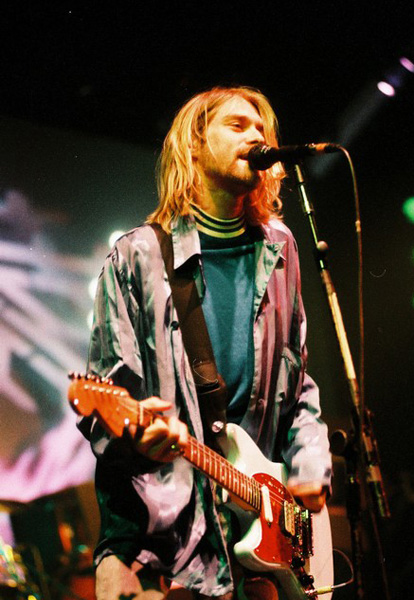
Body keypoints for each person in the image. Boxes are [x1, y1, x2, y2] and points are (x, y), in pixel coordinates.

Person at [78, 86, 332, 600]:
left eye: (261, 128)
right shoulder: (137, 256)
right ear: (194, 144)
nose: (256, 135)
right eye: (237, 125)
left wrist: (310, 460)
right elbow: (105, 402)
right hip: (158, 546)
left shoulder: (279, 248)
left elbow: (298, 381)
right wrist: (140, 437)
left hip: (260, 546)